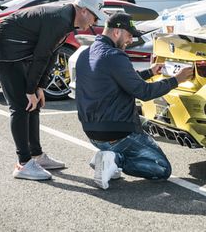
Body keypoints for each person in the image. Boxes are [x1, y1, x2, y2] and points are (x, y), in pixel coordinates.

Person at [0, 0, 107, 181]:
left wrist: (39, 87)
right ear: (84, 10)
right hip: (3, 50)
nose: (94, 23)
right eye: (95, 17)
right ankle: (23, 163)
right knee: (21, 106)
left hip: (19, 51)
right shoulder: (59, 19)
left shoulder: (67, 20)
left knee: (35, 104)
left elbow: (52, 54)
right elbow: (41, 56)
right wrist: (29, 90)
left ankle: (36, 156)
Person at [75, 12, 193, 189]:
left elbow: (119, 80)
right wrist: (177, 79)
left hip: (92, 132)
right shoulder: (115, 56)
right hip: (117, 133)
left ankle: (106, 157)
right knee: (161, 169)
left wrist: (150, 72)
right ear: (117, 32)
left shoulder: (85, 54)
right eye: (129, 35)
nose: (130, 40)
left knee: (145, 125)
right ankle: (114, 159)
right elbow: (143, 92)